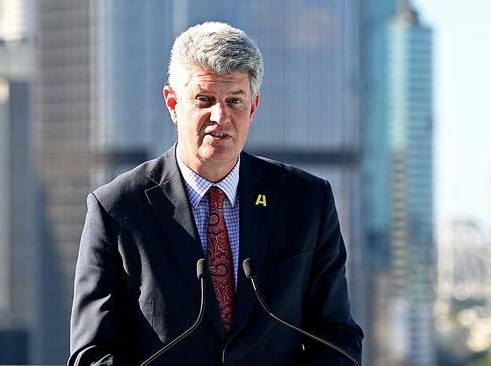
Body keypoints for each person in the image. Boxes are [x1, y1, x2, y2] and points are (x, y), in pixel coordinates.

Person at [68, 21, 363, 366]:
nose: (220, 116)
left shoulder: (307, 201)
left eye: (235, 101)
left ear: (253, 108)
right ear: (173, 103)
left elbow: (336, 336)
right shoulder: (117, 209)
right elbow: (94, 354)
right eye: (204, 100)